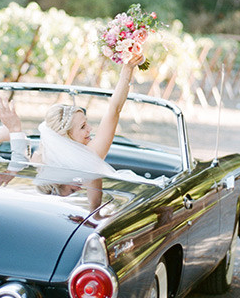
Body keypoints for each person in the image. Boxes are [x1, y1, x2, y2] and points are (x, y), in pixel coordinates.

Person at [35, 52, 166, 196]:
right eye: (83, 127)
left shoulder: (40, 160)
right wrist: (128, 69)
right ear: (65, 135)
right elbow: (114, 109)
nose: (90, 129)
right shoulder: (89, 155)